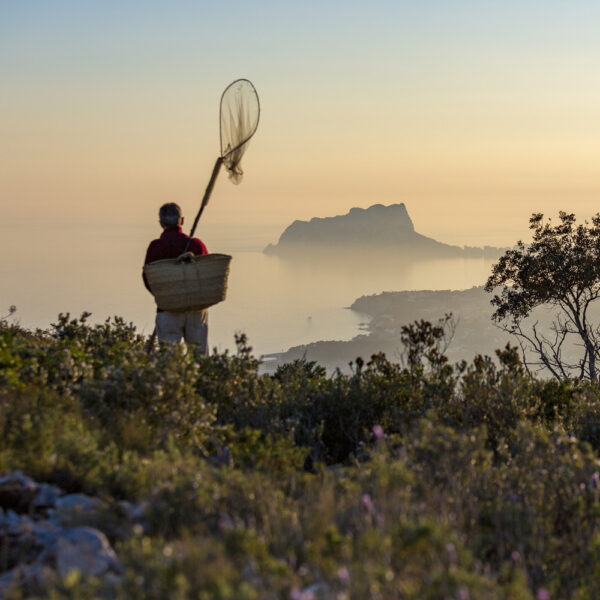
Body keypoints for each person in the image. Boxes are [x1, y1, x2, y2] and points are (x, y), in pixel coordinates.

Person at [143, 203, 209, 354]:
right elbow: (207, 273)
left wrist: (164, 296)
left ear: (161, 223)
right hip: (195, 308)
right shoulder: (196, 245)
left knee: (169, 362)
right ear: (182, 221)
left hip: (168, 308)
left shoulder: (156, 247)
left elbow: (148, 277)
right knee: (200, 358)